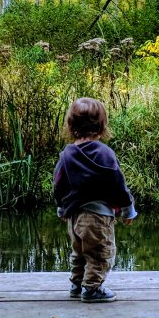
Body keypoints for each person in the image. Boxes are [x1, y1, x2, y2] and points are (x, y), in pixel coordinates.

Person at [53, 97, 137, 303]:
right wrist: (128, 209)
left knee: (79, 251)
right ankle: (92, 289)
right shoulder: (105, 153)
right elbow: (118, 184)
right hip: (99, 216)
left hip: (74, 217)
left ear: (71, 126)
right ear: (101, 125)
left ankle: (77, 284)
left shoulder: (67, 154)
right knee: (99, 253)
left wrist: (62, 207)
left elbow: (59, 183)